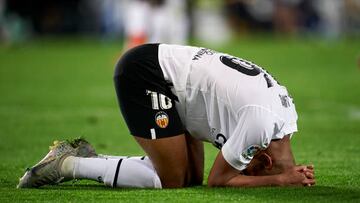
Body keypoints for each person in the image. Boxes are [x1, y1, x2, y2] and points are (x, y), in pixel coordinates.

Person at [18, 44, 315, 189]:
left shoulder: (283, 117)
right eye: (249, 168)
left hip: (176, 89)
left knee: (189, 179)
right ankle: (67, 164)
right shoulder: (262, 124)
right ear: (265, 160)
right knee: (171, 180)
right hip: (147, 74)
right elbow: (220, 180)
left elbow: (211, 178)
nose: (243, 168)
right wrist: (279, 181)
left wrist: (284, 173)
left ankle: (86, 156)